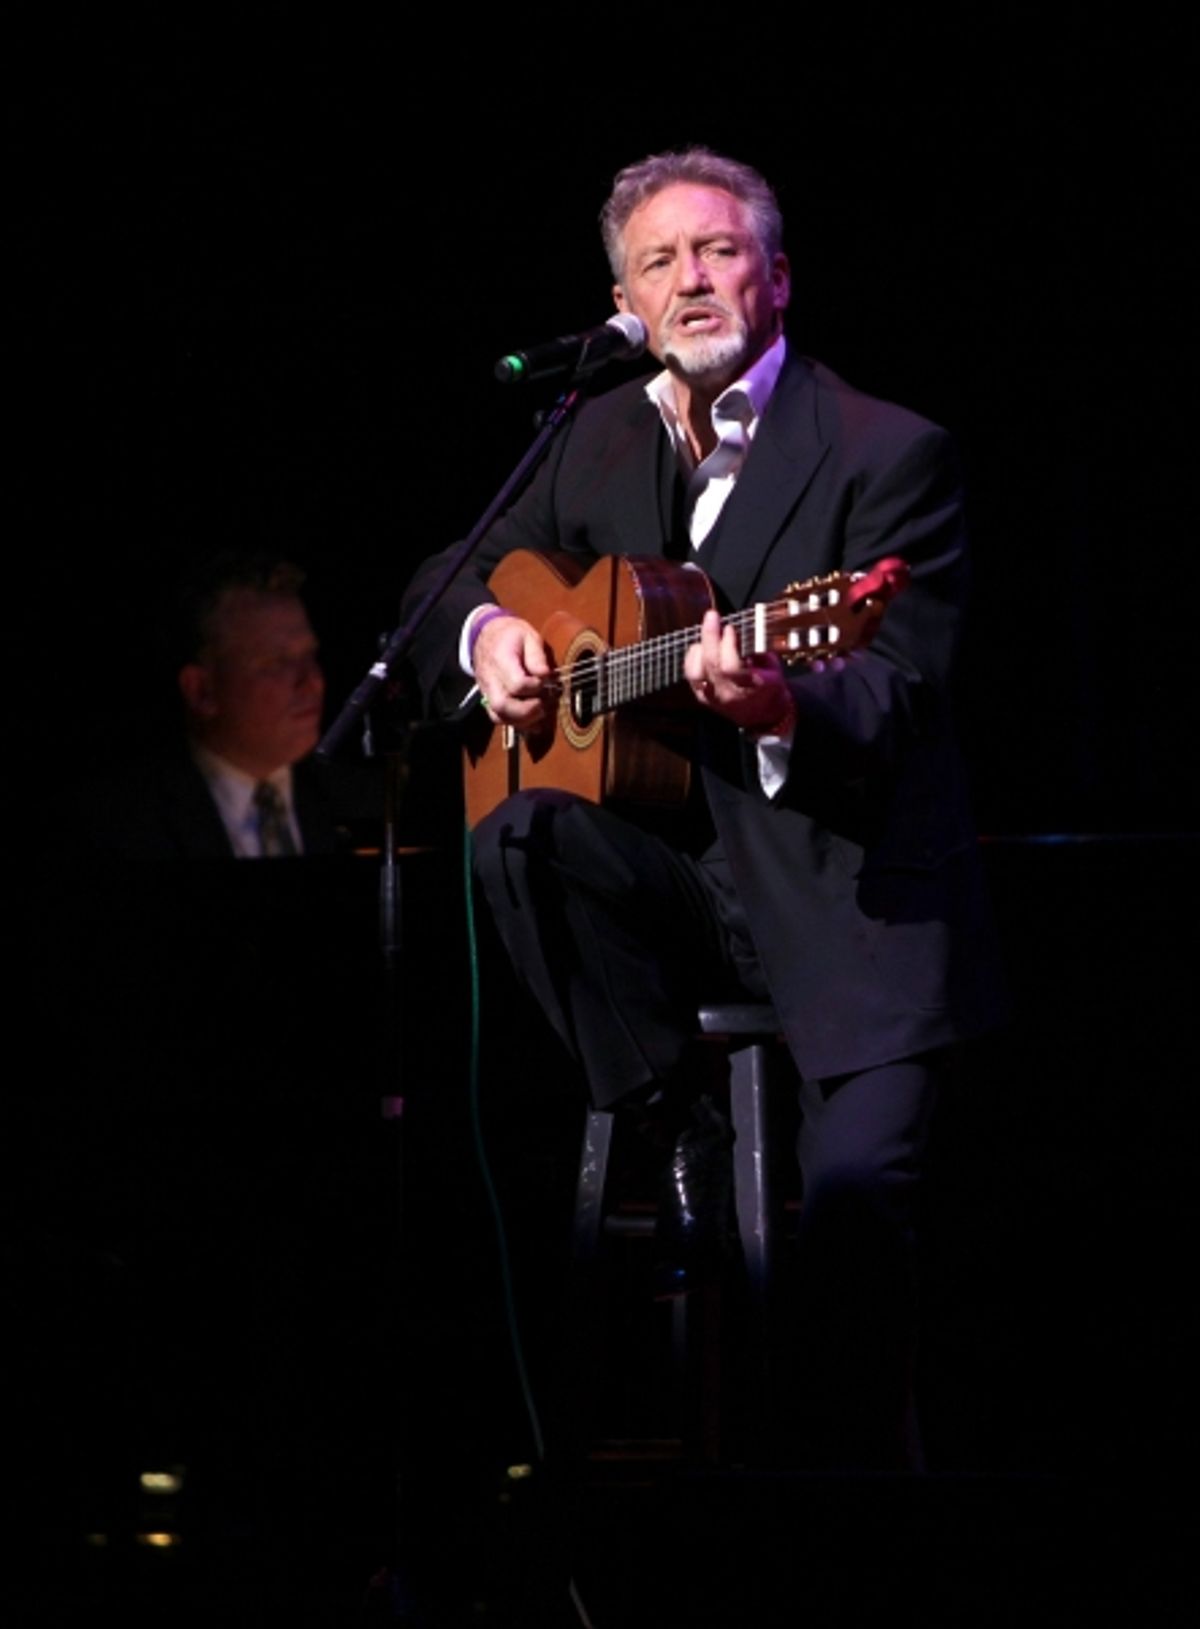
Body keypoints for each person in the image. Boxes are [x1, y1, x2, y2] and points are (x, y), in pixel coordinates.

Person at [403, 147, 1005, 1469]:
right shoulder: (596, 435)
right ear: (623, 301)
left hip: (852, 911)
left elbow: (903, 686)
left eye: (720, 251)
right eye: (660, 262)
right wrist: (492, 635)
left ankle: (838, 1515)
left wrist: (782, 704)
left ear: (777, 278)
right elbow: (449, 576)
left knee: (850, 1228)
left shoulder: (887, 451)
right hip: (683, 906)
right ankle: (673, 1122)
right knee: (517, 831)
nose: (693, 280)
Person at [90, 552, 347, 859]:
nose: (311, 682)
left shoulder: (351, 806)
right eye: (276, 663)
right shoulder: (122, 827)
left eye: (309, 656)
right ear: (201, 690)